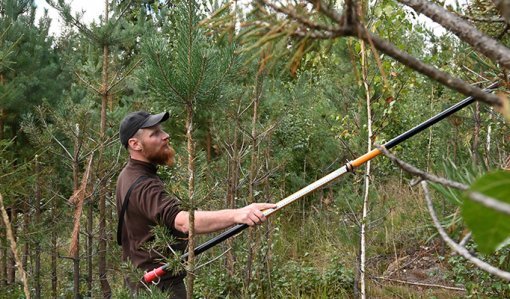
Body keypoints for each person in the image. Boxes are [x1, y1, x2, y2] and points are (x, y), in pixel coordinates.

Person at [116, 111, 275, 298]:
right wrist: (238, 214)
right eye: (155, 133)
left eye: (162, 130)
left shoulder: (128, 175)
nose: (165, 136)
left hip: (144, 282)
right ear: (135, 144)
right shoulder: (143, 185)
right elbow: (183, 221)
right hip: (159, 287)